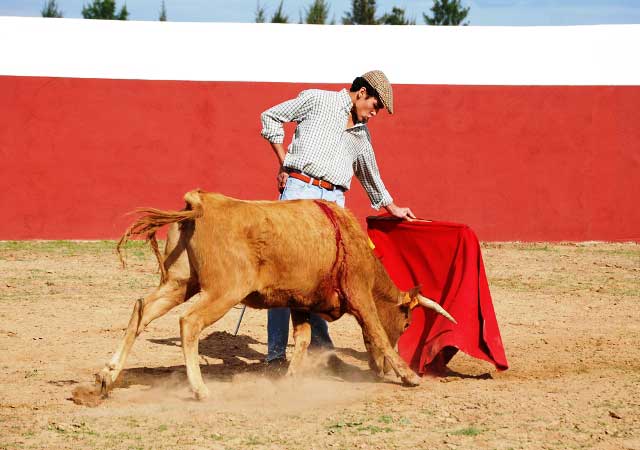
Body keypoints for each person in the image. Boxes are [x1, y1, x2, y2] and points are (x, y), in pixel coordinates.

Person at [260, 69, 415, 369]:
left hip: (333, 204)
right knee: (281, 274)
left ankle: (322, 352)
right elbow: (270, 117)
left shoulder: (361, 135)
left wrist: (392, 207)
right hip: (299, 192)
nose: (375, 113)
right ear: (361, 93)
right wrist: (285, 163)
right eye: (375, 105)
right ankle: (276, 355)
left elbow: (371, 175)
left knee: (322, 281)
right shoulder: (318, 100)